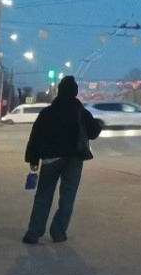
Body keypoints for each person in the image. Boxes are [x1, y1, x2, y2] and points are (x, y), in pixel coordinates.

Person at [22, 76, 103, 244]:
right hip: (74, 159)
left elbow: (35, 136)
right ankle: (58, 232)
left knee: (43, 195)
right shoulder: (81, 112)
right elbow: (94, 132)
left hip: (51, 159)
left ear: (59, 92)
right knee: (68, 196)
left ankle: (33, 233)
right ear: (75, 93)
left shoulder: (48, 112)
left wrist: (33, 158)